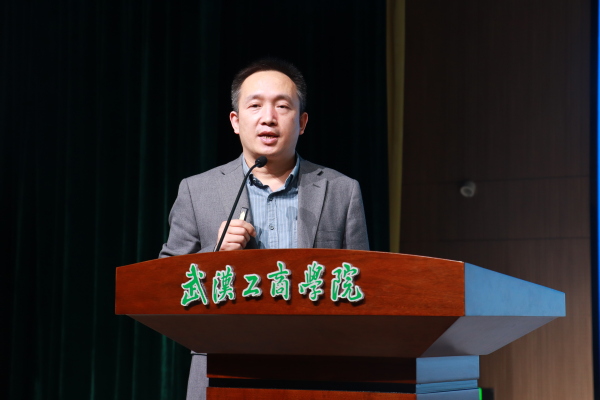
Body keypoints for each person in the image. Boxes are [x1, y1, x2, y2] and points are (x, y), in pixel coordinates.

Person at [158, 58, 369, 400]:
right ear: (235, 121)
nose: (268, 117)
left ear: (302, 122)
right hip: (223, 369)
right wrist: (213, 255)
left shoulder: (342, 190)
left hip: (318, 370)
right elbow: (163, 288)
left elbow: (364, 287)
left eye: (282, 106)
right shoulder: (197, 190)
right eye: (255, 105)